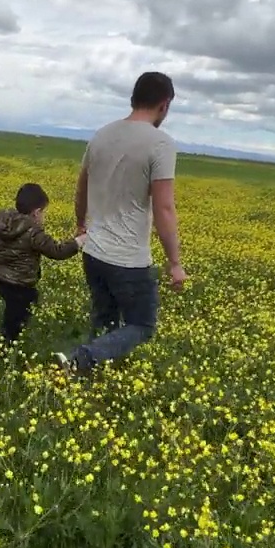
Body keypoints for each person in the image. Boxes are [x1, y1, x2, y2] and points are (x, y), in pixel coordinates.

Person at [56, 71, 188, 376]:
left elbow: (81, 187)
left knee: (104, 321)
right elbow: (164, 207)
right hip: (127, 260)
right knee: (142, 325)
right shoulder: (160, 143)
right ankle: (82, 359)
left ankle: (80, 381)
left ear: (134, 97)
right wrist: (175, 262)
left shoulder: (102, 134)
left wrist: (80, 225)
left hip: (94, 251)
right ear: (164, 105)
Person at [0, 183, 87, 350]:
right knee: (17, 315)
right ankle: (6, 348)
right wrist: (78, 242)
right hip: (21, 283)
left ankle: (10, 337)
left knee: (20, 305)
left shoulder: (3, 226)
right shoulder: (33, 232)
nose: (43, 216)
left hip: (2, 280)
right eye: (43, 212)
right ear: (36, 213)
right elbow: (56, 251)